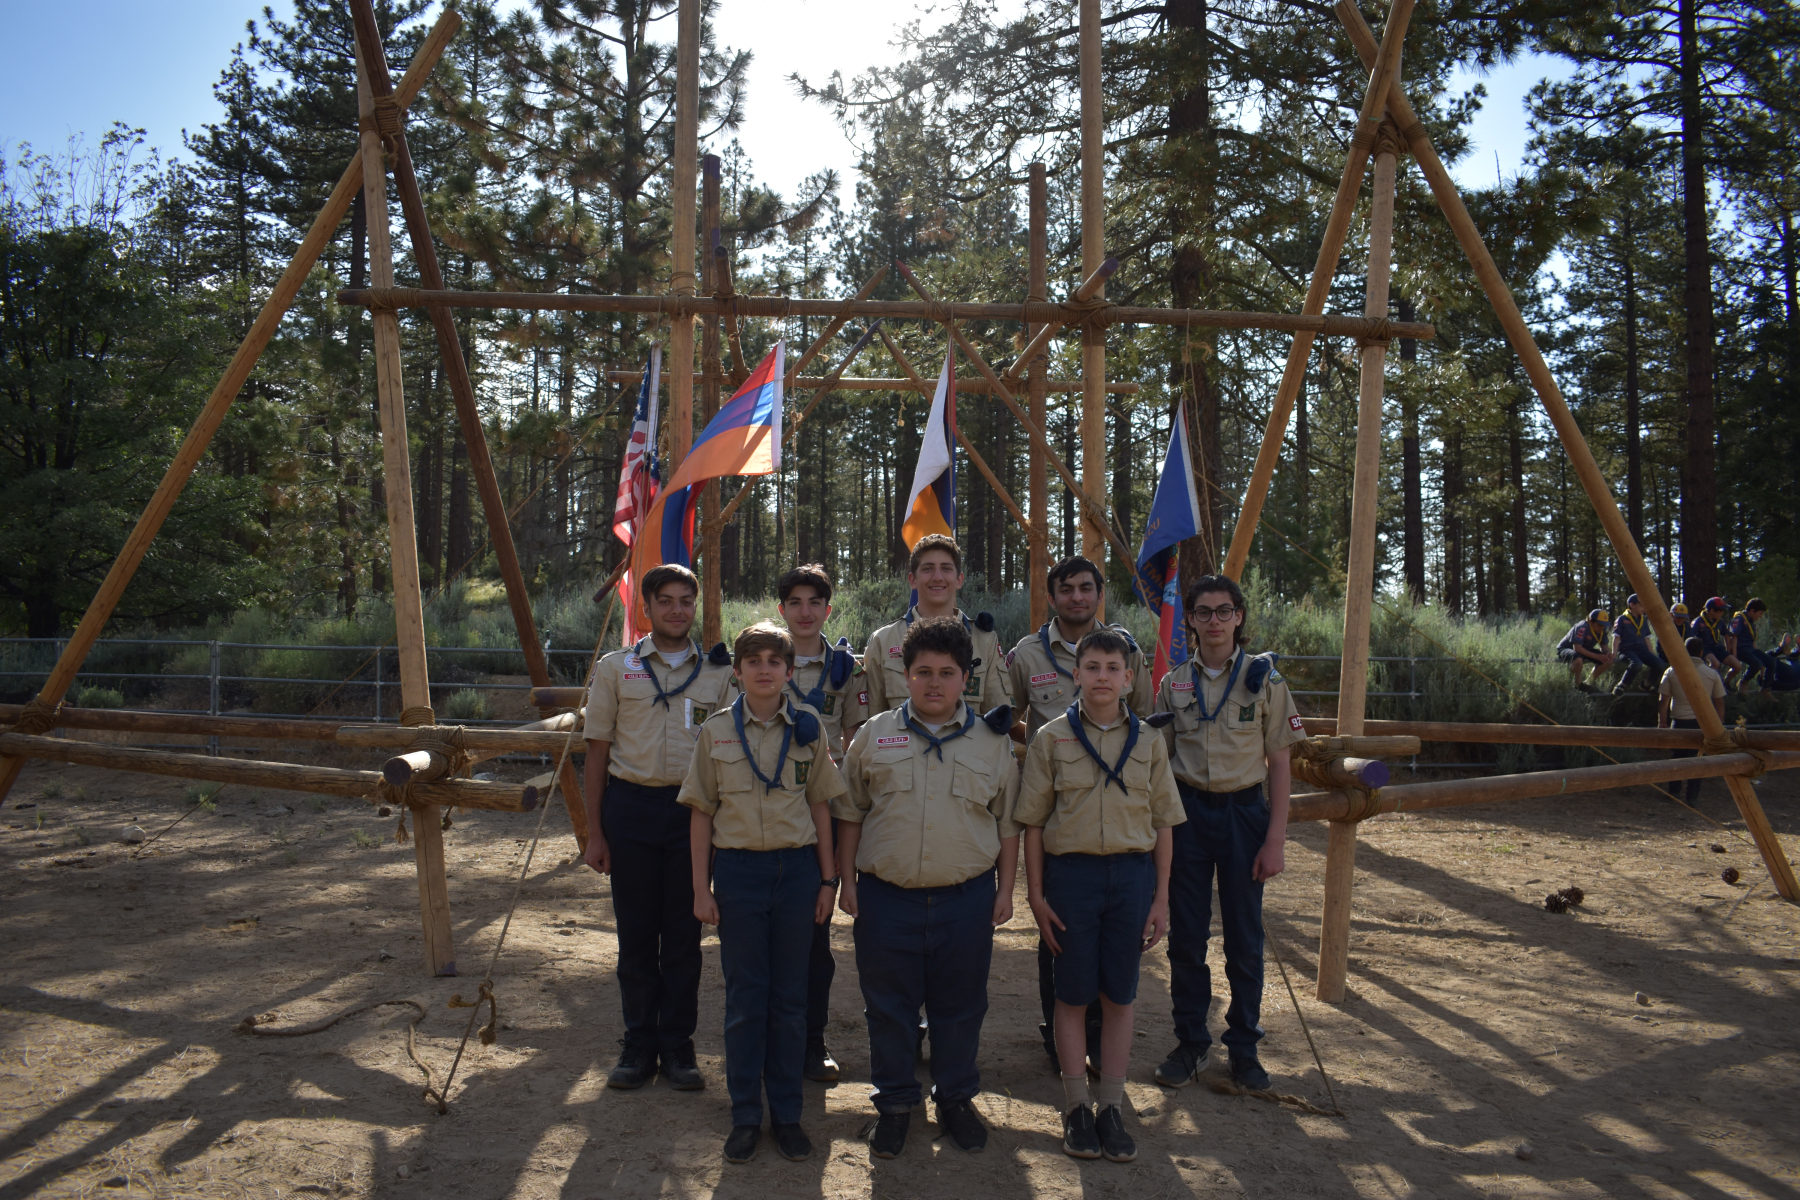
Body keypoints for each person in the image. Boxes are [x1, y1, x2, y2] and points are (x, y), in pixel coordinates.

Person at [835, 617, 1021, 1159]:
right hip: (886, 898)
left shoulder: (992, 742)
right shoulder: (874, 735)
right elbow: (850, 813)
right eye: (923, 672)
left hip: (966, 899)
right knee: (888, 1007)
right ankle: (895, 1103)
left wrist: (1005, 891)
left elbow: (1008, 823)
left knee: (960, 1007)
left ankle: (955, 1099)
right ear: (905, 674)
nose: (934, 683)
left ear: (966, 677)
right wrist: (846, 882)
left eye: (946, 672)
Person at [1018, 628, 1184, 1164]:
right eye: (1092, 667)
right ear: (1076, 675)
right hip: (1073, 879)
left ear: (1129, 678)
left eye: (1113, 668)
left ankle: (1110, 1106)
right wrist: (1035, 895)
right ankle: (1075, 1108)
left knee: (1120, 995)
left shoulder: (1150, 742)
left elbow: (1164, 823)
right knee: (1071, 995)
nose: (1102, 677)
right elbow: (1033, 824)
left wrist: (1161, 897)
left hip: (1132, 878)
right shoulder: (1051, 739)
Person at [681, 622, 845, 1165]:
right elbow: (701, 814)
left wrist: (827, 881)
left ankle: (789, 1116)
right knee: (746, 999)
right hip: (739, 874)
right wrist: (701, 888)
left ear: (789, 671)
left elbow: (821, 806)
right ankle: (746, 1115)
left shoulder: (808, 729)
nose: (765, 670)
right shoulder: (715, 733)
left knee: (791, 999)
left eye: (775, 661)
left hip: (796, 873)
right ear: (738, 671)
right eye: (754, 661)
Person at [583, 564, 736, 1091]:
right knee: (636, 935)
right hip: (630, 810)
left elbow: (730, 751)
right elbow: (596, 753)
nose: (676, 610)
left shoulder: (719, 674)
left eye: (685, 601)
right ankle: (638, 1043)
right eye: (665, 601)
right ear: (645, 607)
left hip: (692, 815)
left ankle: (677, 1045)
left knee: (684, 937)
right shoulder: (614, 669)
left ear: (695, 607)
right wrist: (594, 832)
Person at [1150, 574, 1302, 1094]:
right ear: (1190, 621)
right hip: (1187, 815)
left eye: (1223, 611)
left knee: (1244, 937)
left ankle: (1243, 1048)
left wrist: (1275, 839)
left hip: (1244, 816)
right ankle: (1190, 1041)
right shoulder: (1173, 684)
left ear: (1239, 616)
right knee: (1187, 938)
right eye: (1203, 612)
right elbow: (1160, 761)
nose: (1213, 621)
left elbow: (1280, 763)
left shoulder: (1266, 681)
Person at [1005, 554, 1153, 1071]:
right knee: (1059, 936)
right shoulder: (1026, 653)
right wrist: (1046, 751)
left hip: (1117, 808)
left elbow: (1145, 719)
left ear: (1099, 595)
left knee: (1112, 942)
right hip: (1057, 810)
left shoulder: (1126, 649)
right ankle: (1060, 1036)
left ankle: (1097, 1038)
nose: (1076, 597)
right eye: (1066, 589)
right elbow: (1008, 719)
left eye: (1086, 588)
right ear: (1051, 597)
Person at [771, 563, 867, 1084]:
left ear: (828, 610)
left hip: (818, 819)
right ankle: (768, 1041)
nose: (805, 612)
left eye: (815, 603)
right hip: (764, 813)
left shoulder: (846, 670)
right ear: (781, 609)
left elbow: (856, 741)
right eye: (795, 602)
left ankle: (812, 1041)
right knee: (762, 941)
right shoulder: (763, 658)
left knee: (814, 941)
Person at [861, 535, 1010, 719]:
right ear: (912, 580)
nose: (937, 577)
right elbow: (873, 719)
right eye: (927, 569)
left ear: (959, 579)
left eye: (946, 568)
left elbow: (998, 717)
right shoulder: (883, 641)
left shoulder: (983, 640)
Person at [1658, 636, 1727, 805]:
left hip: (1679, 721)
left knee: (1677, 759)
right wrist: (1719, 724)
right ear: (1701, 652)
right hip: (1702, 723)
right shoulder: (1712, 674)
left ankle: (1674, 792)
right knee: (1698, 760)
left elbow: (1663, 700)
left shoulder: (1672, 671)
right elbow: (1719, 702)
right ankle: (1692, 797)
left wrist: (1662, 722)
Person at [1611, 594, 1660, 695]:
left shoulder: (1643, 620)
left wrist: (1652, 653)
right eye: (1641, 605)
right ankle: (1621, 685)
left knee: (1659, 664)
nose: (1644, 608)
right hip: (1626, 650)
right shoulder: (1622, 619)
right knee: (1637, 664)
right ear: (1632, 605)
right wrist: (1614, 653)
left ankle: (1646, 684)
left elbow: (1646, 638)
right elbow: (1616, 638)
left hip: (1642, 650)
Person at [1556, 609, 1615, 691]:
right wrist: (1597, 656)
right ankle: (1578, 684)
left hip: (1585, 649)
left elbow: (1604, 646)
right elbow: (1577, 648)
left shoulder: (1602, 630)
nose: (1602, 627)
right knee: (1578, 659)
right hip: (1567, 648)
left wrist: (1608, 653)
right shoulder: (1582, 627)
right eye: (1599, 625)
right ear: (1591, 621)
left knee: (1608, 660)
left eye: (1604, 625)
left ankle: (1589, 682)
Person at [1729, 599, 1773, 693]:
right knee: (1757, 663)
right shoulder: (1739, 619)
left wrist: (1758, 653)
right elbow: (1734, 637)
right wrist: (1734, 655)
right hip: (1740, 648)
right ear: (1752, 611)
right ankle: (1744, 682)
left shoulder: (1750, 622)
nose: (1760, 616)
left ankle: (1765, 688)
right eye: (1760, 613)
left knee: (1770, 661)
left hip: (1750, 649)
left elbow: (1751, 640)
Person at [1691, 596, 1737, 678]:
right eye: (1721, 611)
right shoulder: (1698, 621)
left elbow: (1726, 635)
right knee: (1715, 664)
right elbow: (1691, 637)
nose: (1722, 613)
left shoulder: (1720, 621)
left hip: (1718, 648)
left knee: (1737, 665)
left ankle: (1726, 683)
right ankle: (1710, 683)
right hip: (1705, 649)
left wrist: (1728, 650)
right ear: (1712, 611)